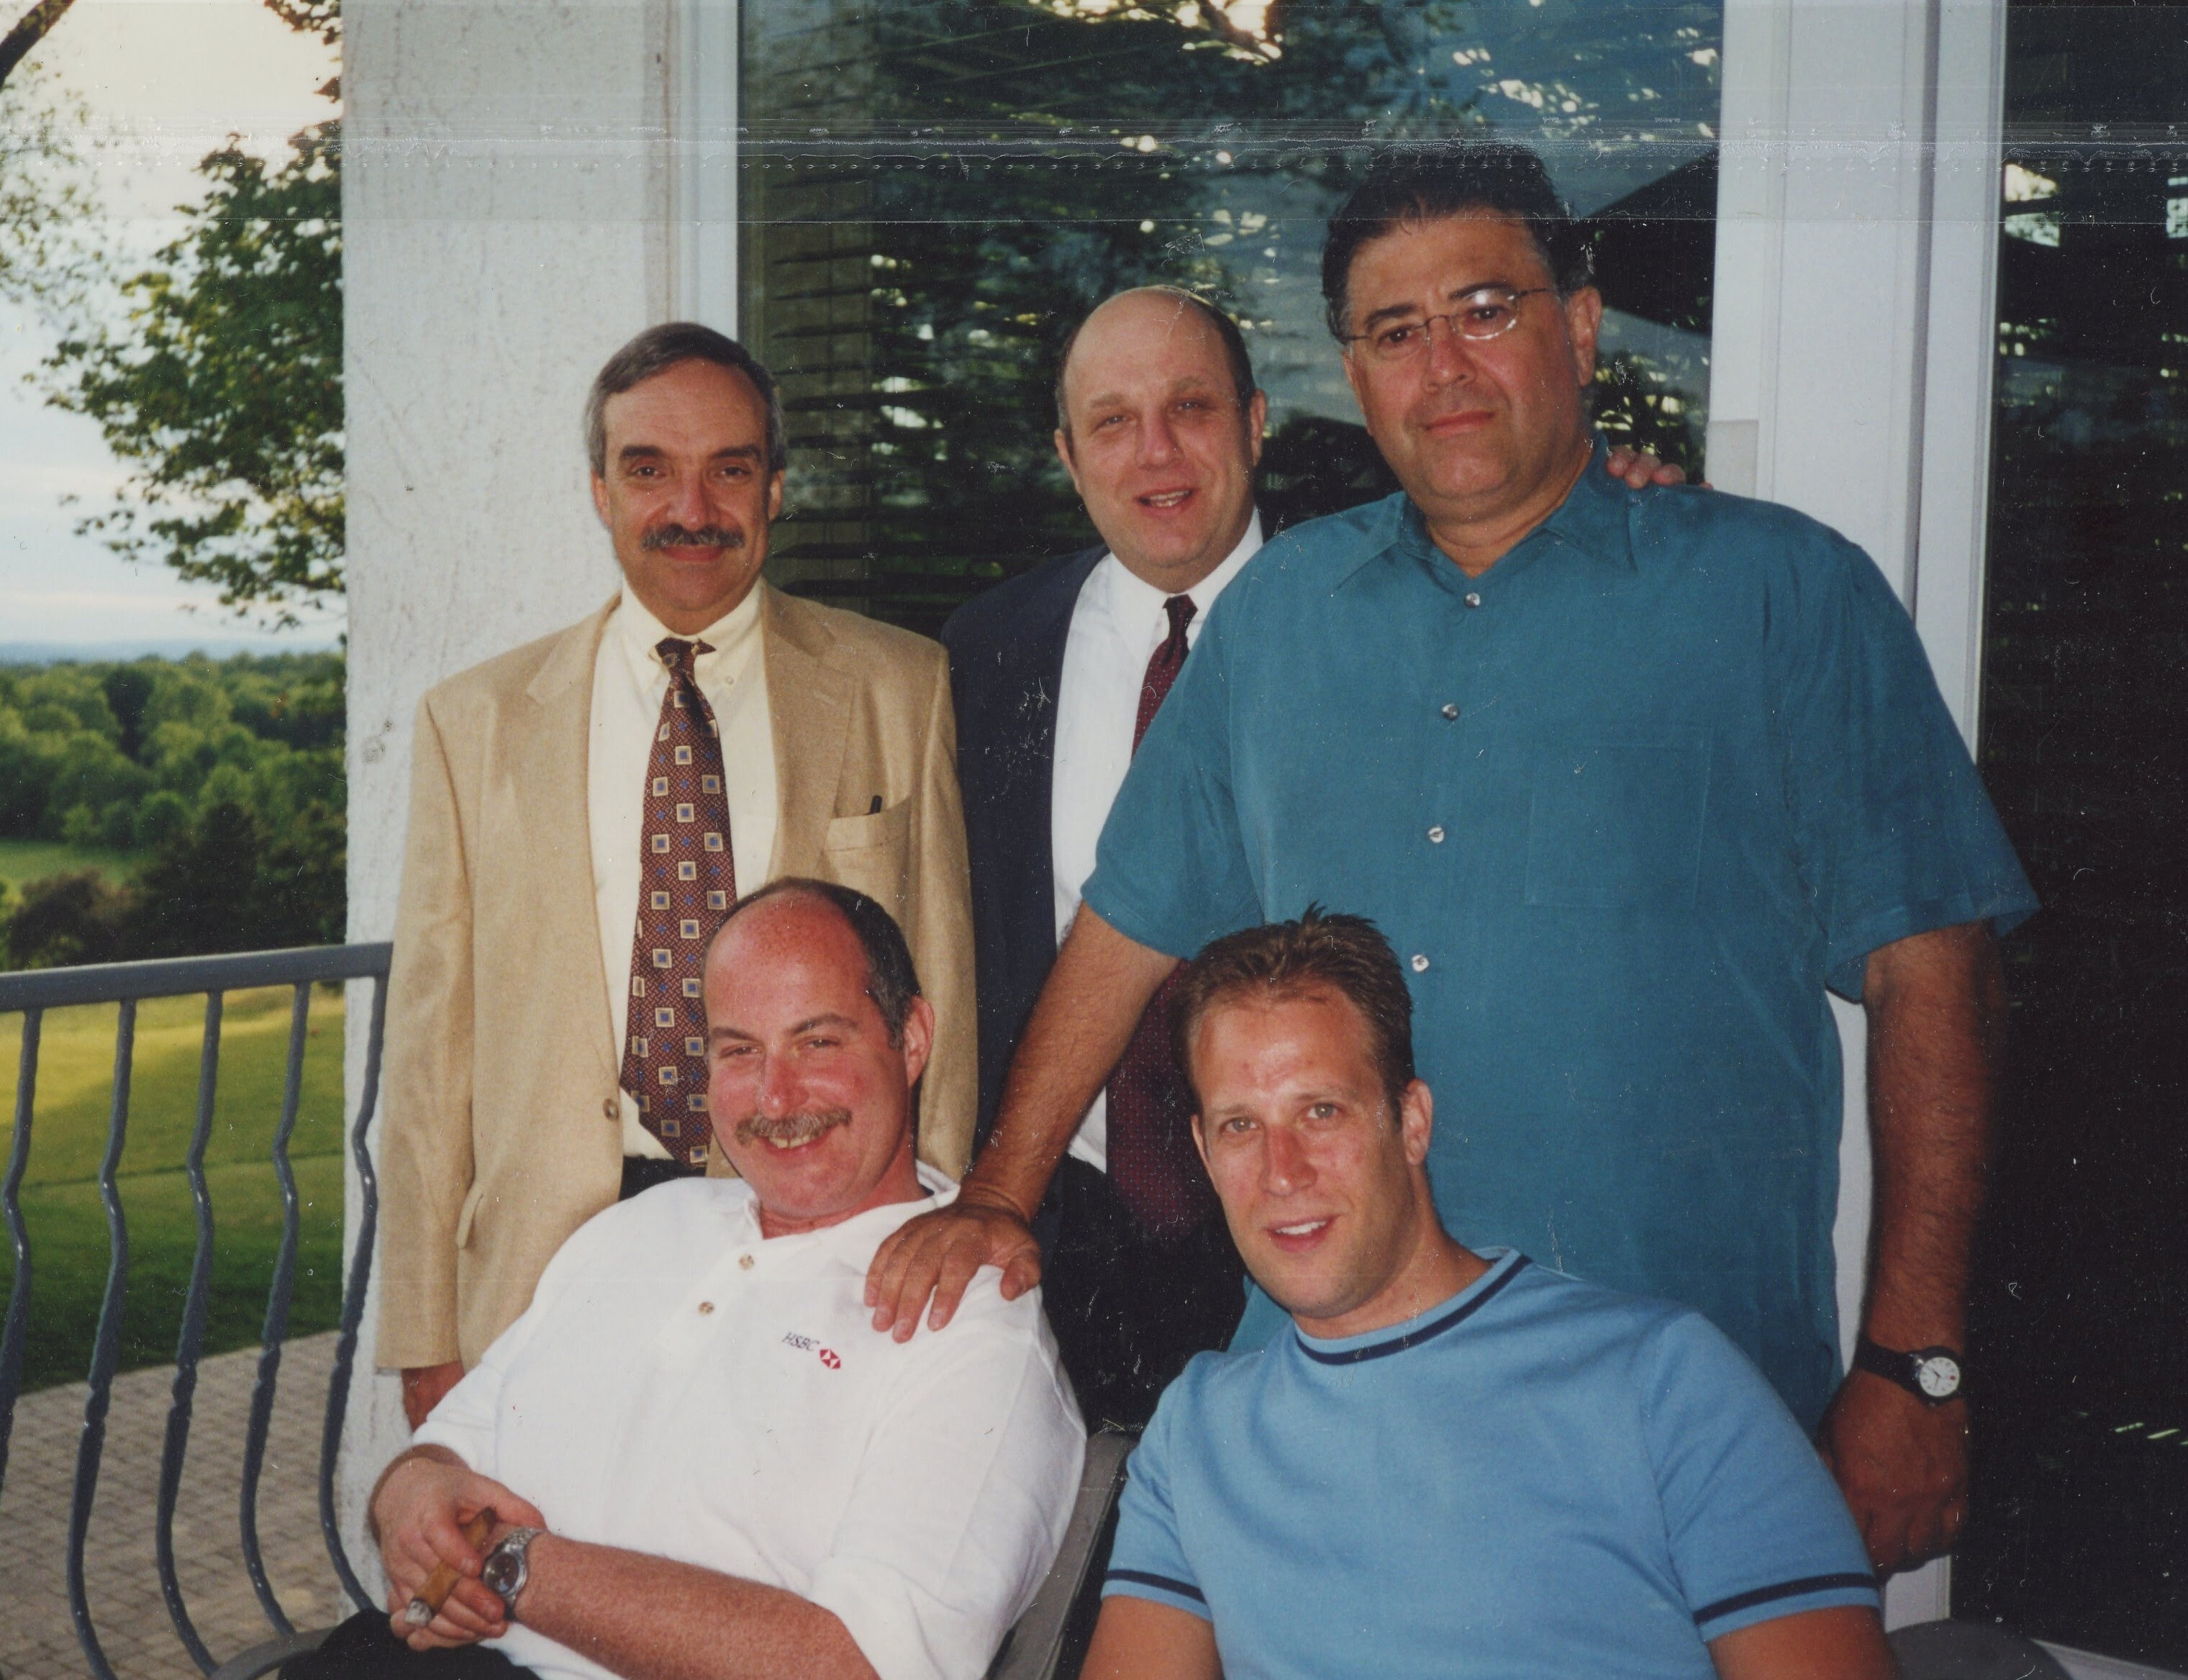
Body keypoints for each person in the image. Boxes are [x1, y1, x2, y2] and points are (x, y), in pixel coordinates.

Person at [871, 143, 2035, 1574]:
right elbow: (1126, 926)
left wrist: (1917, 1360)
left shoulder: (1780, 595)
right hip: (1326, 1404)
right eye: (1396, 331)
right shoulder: (1283, 613)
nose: (1446, 366)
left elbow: (1936, 965)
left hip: (1672, 1422)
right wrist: (995, 1195)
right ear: (1354, 377)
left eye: (1486, 308)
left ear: (1582, 325)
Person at [943, 285, 1683, 1428]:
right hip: (1067, 1220)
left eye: (1191, 406)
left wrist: (1609, 502)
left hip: (1319, 1214)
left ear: (1254, 422)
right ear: (1063, 451)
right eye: (1111, 420)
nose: (1156, 452)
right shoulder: (982, 653)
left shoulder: (1387, 612)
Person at [381, 323, 979, 1427]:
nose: (690, 509)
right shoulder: (474, 724)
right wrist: (425, 1338)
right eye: (648, 469)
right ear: (600, 492)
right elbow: (427, 1063)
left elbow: (937, 1001)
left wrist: (922, 1233)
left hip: (818, 1244)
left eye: (730, 470)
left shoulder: (900, 688)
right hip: (540, 1269)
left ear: (777, 489)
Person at [299, 881, 1084, 1680]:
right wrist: (411, 1506)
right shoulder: (643, 1226)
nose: (776, 1098)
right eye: (740, 1050)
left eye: (817, 1042)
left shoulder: (971, 1323)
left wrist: (515, 1568)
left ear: (910, 1038)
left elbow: (858, 1666)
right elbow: (444, 1451)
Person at [1081, 910, 1895, 1680]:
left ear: (1411, 1122)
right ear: (1201, 1150)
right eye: (1239, 1127)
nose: (1281, 1171)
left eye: (1320, 1111)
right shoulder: (1197, 1433)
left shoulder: (1659, 1381)